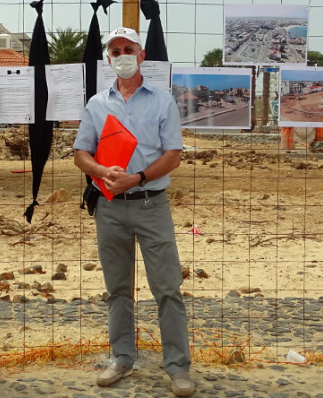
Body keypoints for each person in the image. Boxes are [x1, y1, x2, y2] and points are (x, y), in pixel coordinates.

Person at [73, 27, 194, 396]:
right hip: (110, 208)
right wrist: (101, 172)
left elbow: (172, 155)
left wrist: (137, 178)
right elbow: (81, 154)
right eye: (115, 50)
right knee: (117, 289)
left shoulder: (163, 101)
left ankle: (177, 367)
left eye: (128, 49)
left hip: (150, 204)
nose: (122, 55)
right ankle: (122, 358)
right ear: (108, 59)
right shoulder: (97, 104)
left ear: (141, 56)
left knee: (168, 288)